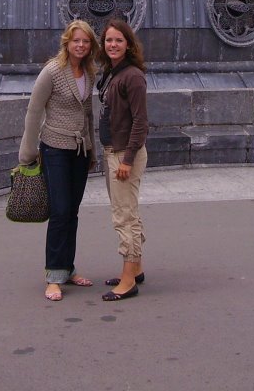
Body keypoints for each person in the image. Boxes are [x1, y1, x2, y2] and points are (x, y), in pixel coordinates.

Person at [18, 19, 99, 302]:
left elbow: (89, 114)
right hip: (54, 147)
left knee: (73, 211)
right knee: (60, 210)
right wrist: (27, 153)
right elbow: (33, 111)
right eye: (76, 40)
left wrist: (92, 150)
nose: (80, 45)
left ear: (91, 46)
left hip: (79, 150)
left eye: (85, 41)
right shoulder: (52, 71)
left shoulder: (89, 71)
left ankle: (68, 268)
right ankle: (53, 275)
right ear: (67, 42)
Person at [96, 18, 148, 302]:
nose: (112, 44)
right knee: (130, 211)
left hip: (124, 154)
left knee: (123, 217)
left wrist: (127, 160)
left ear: (128, 44)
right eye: (108, 40)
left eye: (118, 40)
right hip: (113, 151)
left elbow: (141, 122)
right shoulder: (112, 72)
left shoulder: (133, 76)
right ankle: (135, 267)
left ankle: (128, 281)